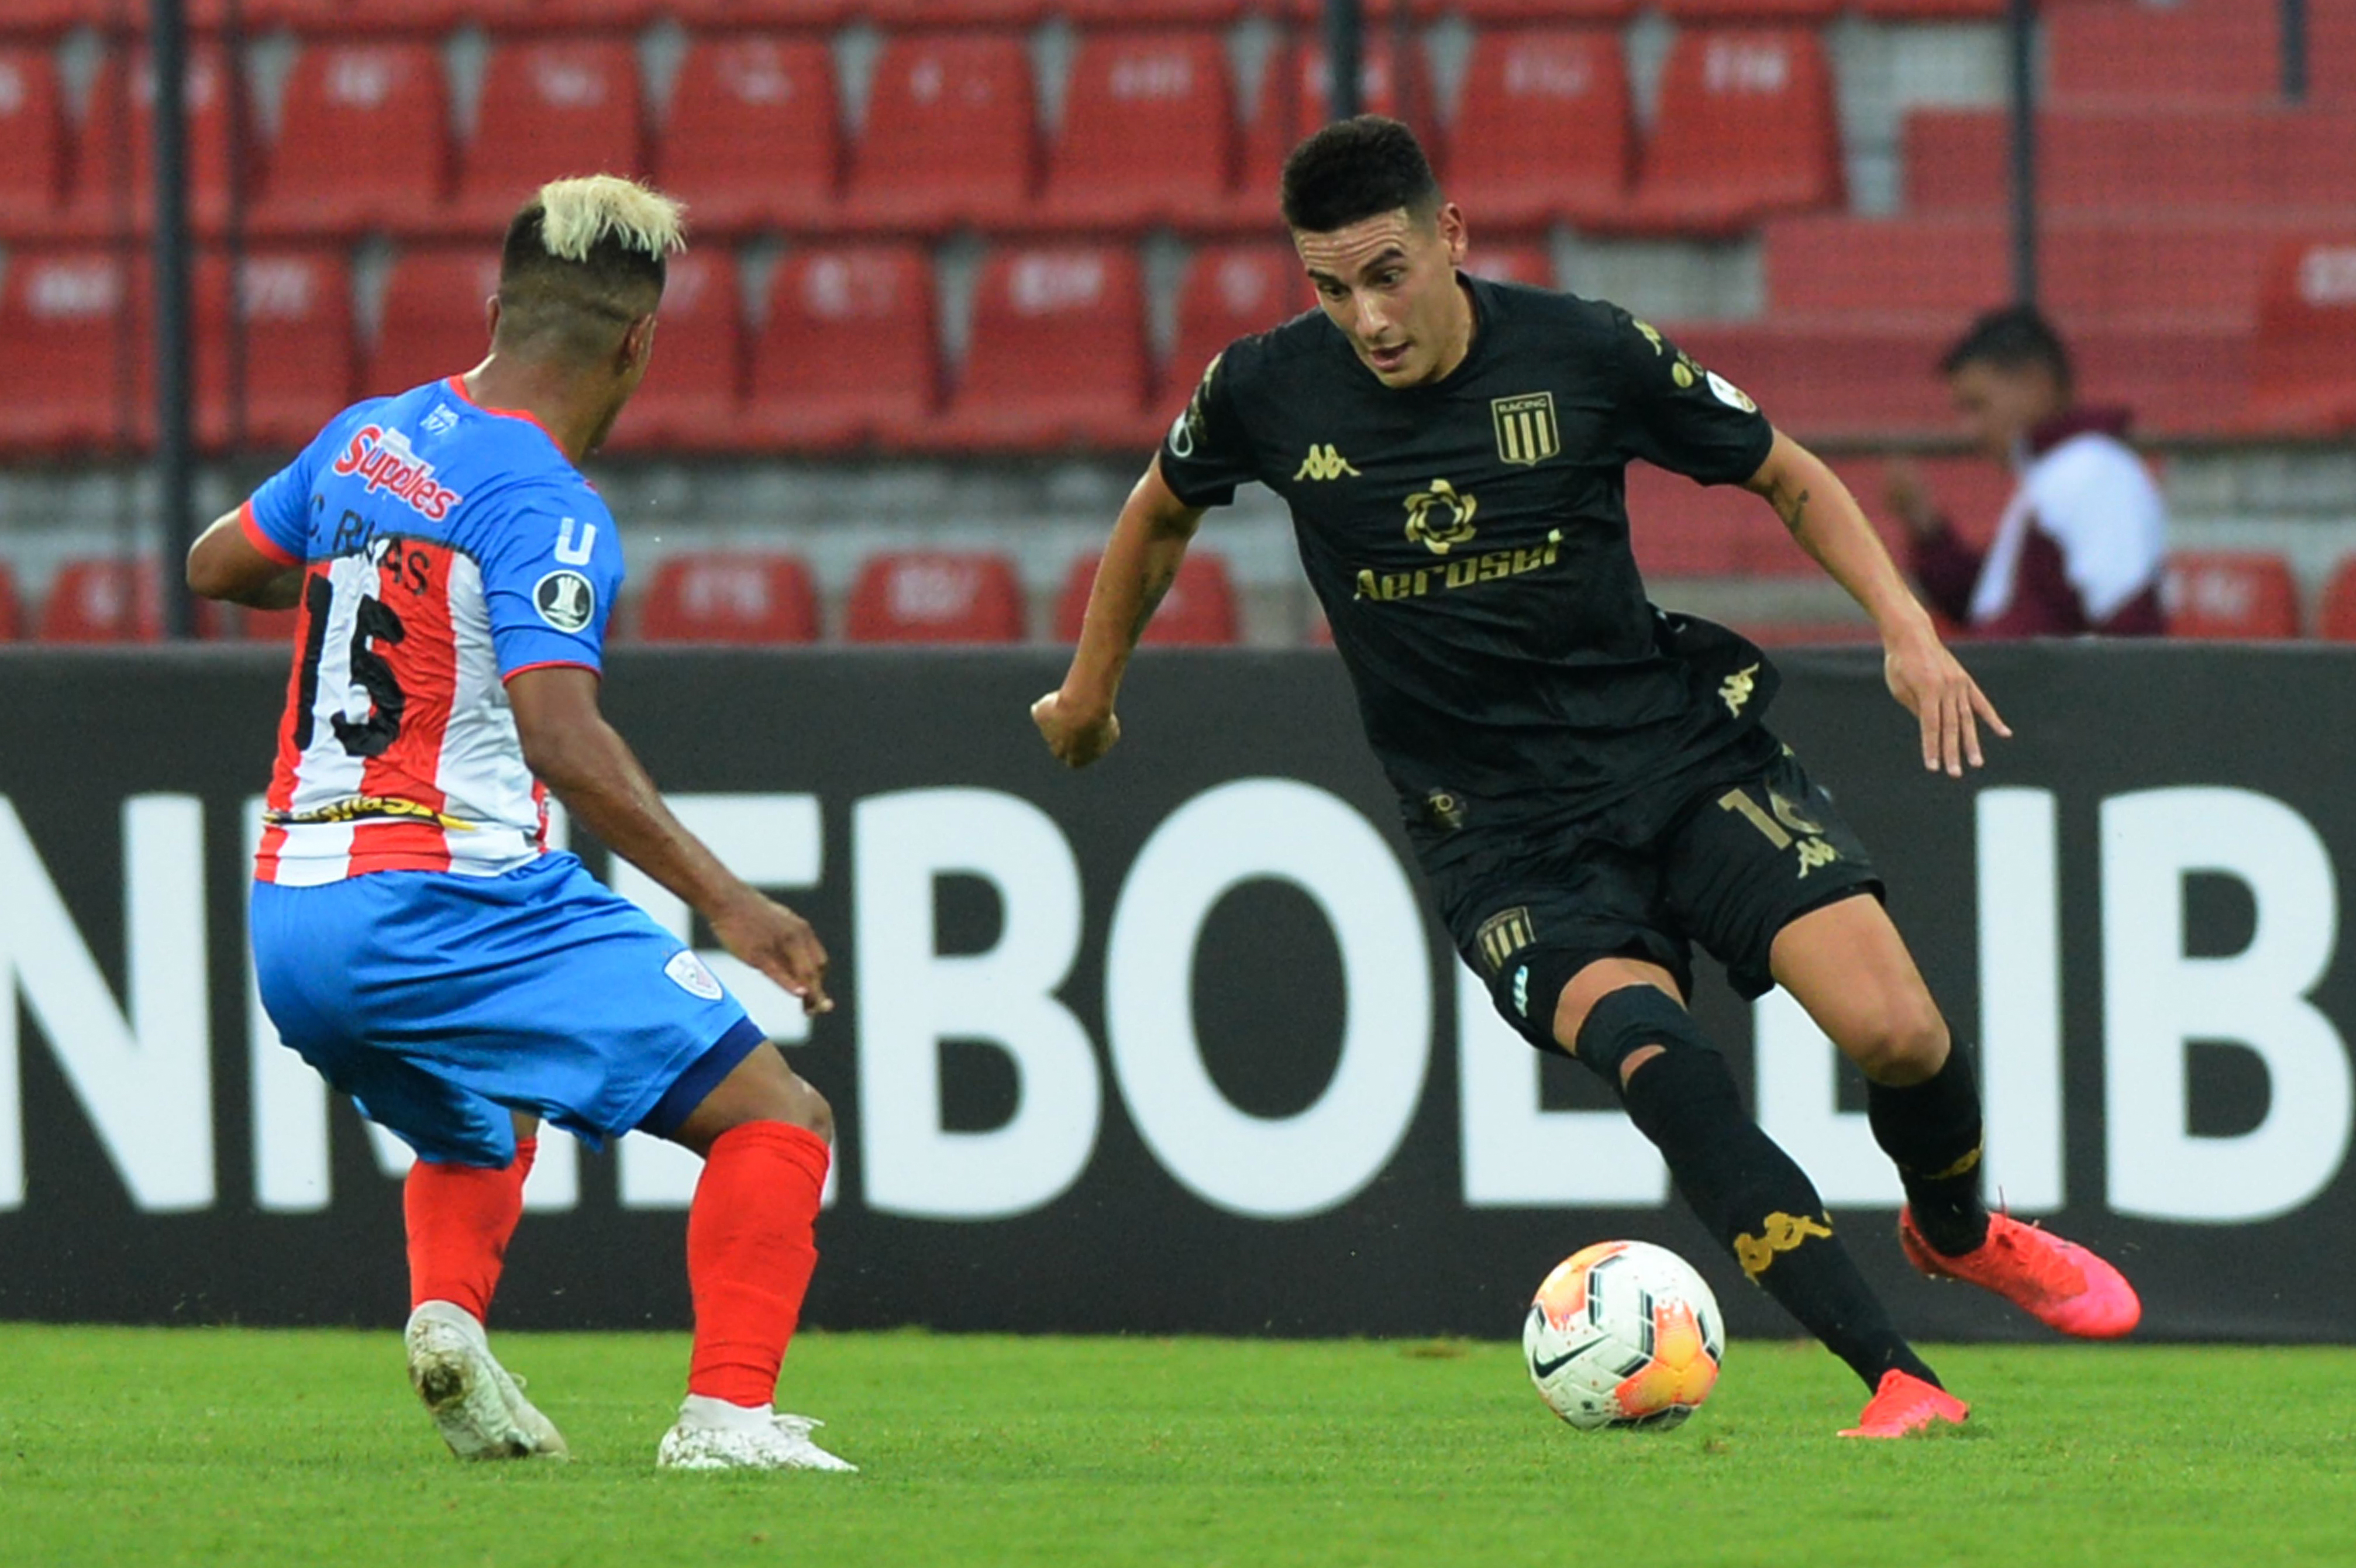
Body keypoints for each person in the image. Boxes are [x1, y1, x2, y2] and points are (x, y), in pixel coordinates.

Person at [1033, 118, 2141, 1438]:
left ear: (1450, 236)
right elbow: (1160, 508)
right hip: (1499, 837)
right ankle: (1895, 1375)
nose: (1366, 319)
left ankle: (1955, 1227)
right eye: (1329, 288)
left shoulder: (1583, 350)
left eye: (1386, 273)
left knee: (1900, 1031)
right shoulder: (1265, 389)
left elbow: (1785, 475)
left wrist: (1907, 627)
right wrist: (1090, 692)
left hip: (1674, 753)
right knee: (1662, 1063)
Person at [185, 176, 852, 1473]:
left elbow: (219, 563)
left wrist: (355, 550)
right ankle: (726, 1419)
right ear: (635, 344)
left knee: (482, 1111)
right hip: (445, 891)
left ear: (495, 308)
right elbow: (561, 734)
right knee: (780, 1114)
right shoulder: (544, 503)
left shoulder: (368, 435)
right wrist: (730, 900)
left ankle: (450, 1327)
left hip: (292, 911)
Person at [1887, 305, 2168, 637]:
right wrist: (1927, 527)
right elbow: (1993, 609)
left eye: (1978, 405)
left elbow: (2129, 627)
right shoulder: (2055, 475)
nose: (1970, 430)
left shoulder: (2094, 474)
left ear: (2036, 382)